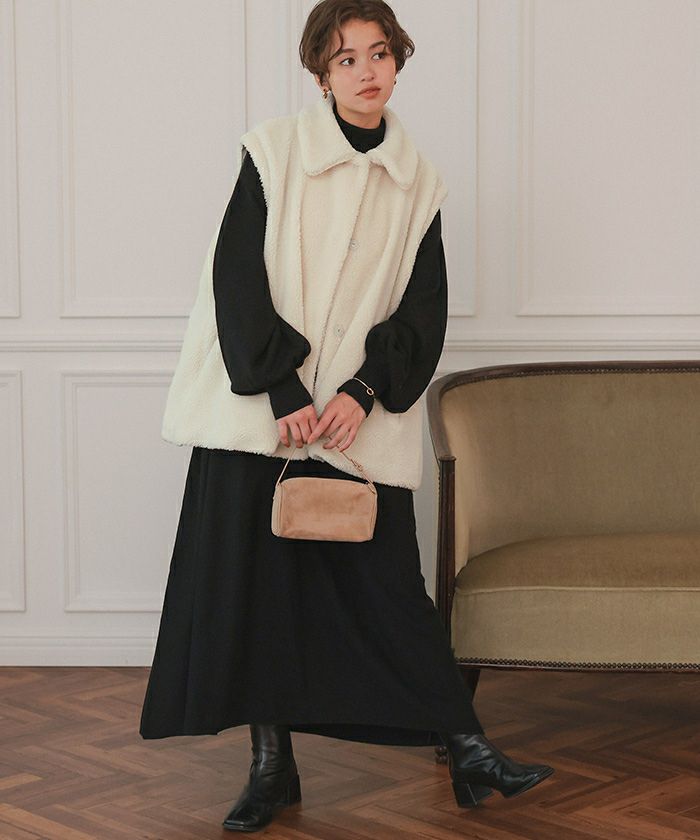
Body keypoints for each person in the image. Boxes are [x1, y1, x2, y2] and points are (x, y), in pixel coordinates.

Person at [139, 0, 554, 831]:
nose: (368, 71)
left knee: (390, 590)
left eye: (380, 54)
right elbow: (235, 278)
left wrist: (363, 390)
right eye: (347, 59)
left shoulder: (418, 183)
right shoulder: (274, 152)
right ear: (321, 75)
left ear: (398, 61)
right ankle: (272, 768)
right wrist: (284, 389)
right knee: (256, 593)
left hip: (353, 427)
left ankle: (469, 751)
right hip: (260, 420)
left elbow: (422, 310)